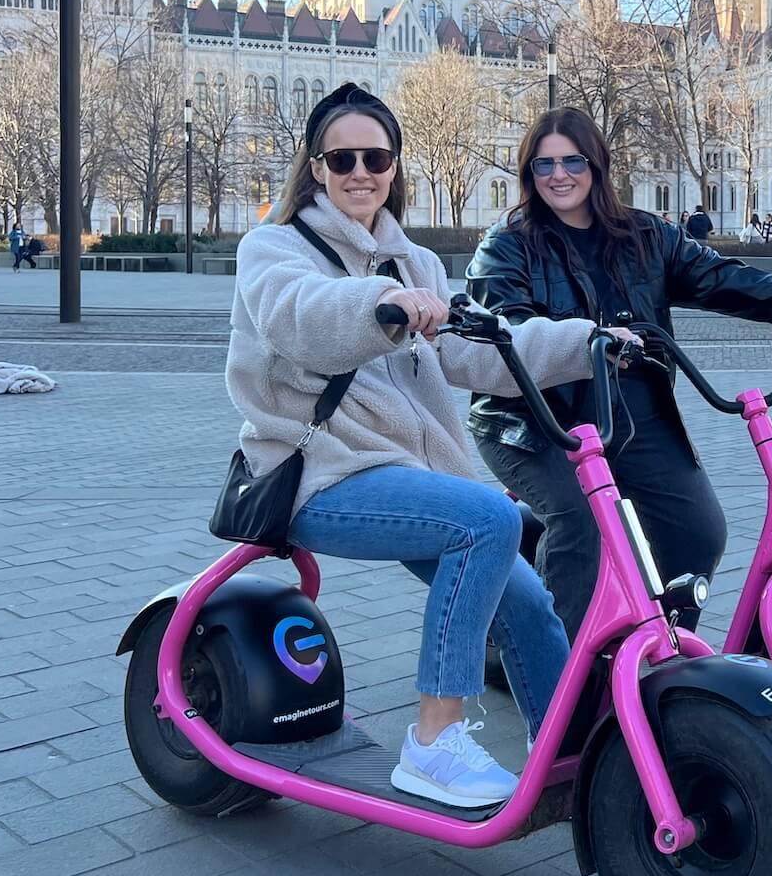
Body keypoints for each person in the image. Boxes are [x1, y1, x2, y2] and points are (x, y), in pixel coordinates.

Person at [229, 82, 617, 807]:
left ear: (394, 164)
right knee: (490, 518)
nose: (359, 172)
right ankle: (434, 744)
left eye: (374, 157)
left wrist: (590, 342)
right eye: (340, 158)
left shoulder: (416, 262)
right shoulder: (274, 248)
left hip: (405, 481)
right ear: (316, 167)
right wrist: (379, 304)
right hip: (316, 476)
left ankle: (573, 758)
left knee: (529, 601)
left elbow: (482, 352)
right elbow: (299, 316)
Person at [466, 107, 772, 641]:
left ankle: (660, 648)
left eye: (572, 161)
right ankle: (566, 681)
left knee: (698, 531)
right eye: (543, 165)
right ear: (529, 174)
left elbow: (714, 277)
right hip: (535, 419)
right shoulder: (505, 245)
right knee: (581, 525)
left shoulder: (645, 234)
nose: (559, 175)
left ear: (596, 165)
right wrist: (582, 340)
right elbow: (507, 324)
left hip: (630, 409)